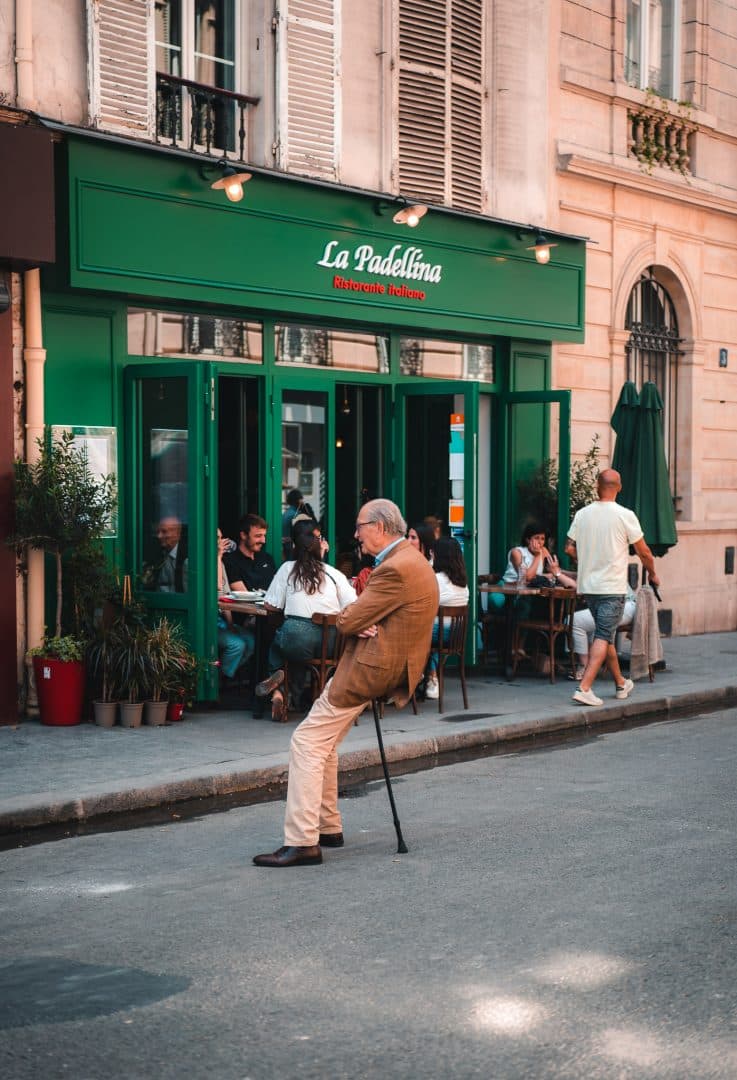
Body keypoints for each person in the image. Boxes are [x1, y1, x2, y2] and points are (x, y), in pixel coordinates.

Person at [253, 498, 439, 868]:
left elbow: (350, 617)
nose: (355, 534)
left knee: (306, 742)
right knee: (326, 742)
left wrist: (353, 618)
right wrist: (358, 617)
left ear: (381, 527)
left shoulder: (393, 568)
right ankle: (327, 826)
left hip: (370, 667)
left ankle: (303, 841)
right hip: (383, 664)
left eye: (360, 526)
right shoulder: (410, 560)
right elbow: (358, 613)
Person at [565, 468, 659, 706]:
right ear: (619, 488)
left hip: (589, 587)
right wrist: (653, 574)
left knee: (604, 636)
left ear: (597, 486)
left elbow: (568, 548)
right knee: (603, 635)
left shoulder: (582, 514)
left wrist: (586, 560)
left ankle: (620, 682)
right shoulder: (625, 515)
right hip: (612, 588)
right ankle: (584, 688)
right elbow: (644, 552)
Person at [255, 526, 357, 721]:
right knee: (295, 651)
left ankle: (279, 691)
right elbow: (354, 605)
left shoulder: (288, 568)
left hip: (298, 638)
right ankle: (294, 696)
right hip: (332, 643)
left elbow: (270, 605)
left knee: (278, 646)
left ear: (295, 547)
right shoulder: (334, 573)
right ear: (321, 549)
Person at [425, 536, 469, 700]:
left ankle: (418, 678)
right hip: (455, 635)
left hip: (438, 634)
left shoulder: (436, 580)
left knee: (409, 632)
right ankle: (429, 677)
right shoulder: (462, 582)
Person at [571, 585, 637, 681]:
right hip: (618, 603)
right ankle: (619, 682)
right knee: (605, 638)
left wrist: (558, 573)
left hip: (617, 604)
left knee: (576, 621)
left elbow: (579, 587)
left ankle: (586, 671)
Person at [217, 527, 254, 681]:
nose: (220, 542)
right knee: (237, 645)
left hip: (221, 621)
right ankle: (218, 682)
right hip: (205, 623)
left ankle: (223, 676)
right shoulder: (192, 563)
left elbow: (225, 596)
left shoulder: (221, 564)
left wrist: (231, 624)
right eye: (215, 539)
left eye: (220, 538)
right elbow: (217, 587)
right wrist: (218, 557)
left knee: (250, 642)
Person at [502, 522, 576, 589]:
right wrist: (537, 556)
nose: (540, 542)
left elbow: (553, 570)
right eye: (536, 538)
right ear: (528, 539)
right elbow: (527, 578)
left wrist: (572, 574)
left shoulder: (543, 550)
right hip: (511, 589)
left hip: (532, 590)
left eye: (542, 539)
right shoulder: (516, 552)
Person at [223, 513, 276, 593]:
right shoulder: (230, 561)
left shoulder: (267, 558)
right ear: (243, 535)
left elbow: (278, 588)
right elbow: (244, 595)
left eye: (264, 536)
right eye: (258, 536)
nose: (263, 541)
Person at [154, 515, 188, 593]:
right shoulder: (159, 554)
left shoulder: (186, 557)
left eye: (164, 531)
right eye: (158, 532)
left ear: (178, 534)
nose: (159, 536)